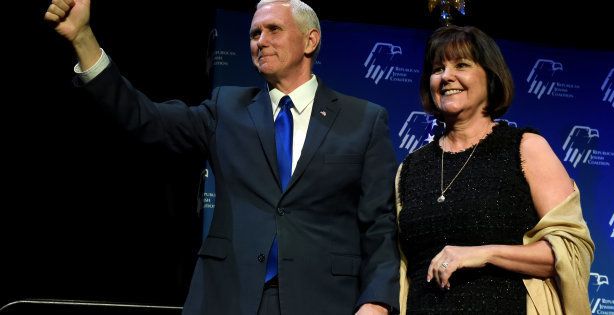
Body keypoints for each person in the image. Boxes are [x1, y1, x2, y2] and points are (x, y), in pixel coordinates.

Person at [44, 0, 400, 314]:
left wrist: (377, 300)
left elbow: (379, 225)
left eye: (274, 29)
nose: (261, 40)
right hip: (230, 296)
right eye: (254, 33)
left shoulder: (363, 119)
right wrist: (82, 38)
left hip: (324, 300)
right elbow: (144, 118)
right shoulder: (227, 108)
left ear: (310, 40)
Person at [395, 25, 595, 314]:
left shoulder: (525, 148)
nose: (446, 76)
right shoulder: (411, 167)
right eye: (438, 69)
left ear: (490, 77)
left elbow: (570, 252)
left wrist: (485, 253)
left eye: (461, 65)